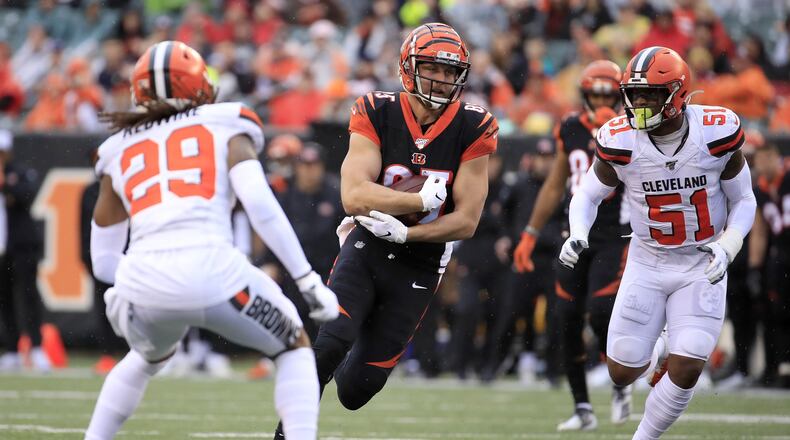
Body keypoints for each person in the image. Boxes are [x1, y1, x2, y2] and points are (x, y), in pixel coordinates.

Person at [83, 40, 339, 440]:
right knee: (294, 346)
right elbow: (260, 204)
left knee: (147, 356)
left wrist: (155, 283)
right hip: (214, 270)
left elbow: (102, 263)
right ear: (198, 86)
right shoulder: (226, 121)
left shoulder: (116, 147)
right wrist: (306, 279)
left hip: (141, 283)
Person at [273, 22, 498, 439]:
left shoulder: (474, 124)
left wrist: (408, 233)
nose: (442, 78)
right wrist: (416, 203)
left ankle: (356, 349)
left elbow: (467, 221)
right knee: (330, 341)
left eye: (451, 72)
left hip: (423, 260)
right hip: (367, 243)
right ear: (408, 68)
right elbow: (354, 196)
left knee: (356, 390)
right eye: (433, 67)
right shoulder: (376, 108)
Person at [562, 46, 756, 439]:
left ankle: (643, 437)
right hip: (647, 260)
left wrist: (728, 245)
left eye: (650, 93)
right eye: (634, 94)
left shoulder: (716, 131)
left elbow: (744, 200)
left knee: (689, 364)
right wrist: (578, 231)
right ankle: (658, 349)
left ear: (678, 93)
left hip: (701, 263)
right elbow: (587, 194)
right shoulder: (620, 139)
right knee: (622, 370)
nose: (640, 103)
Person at [512, 60, 631, 430]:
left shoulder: (634, 129)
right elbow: (555, 182)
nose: (600, 99)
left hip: (615, 234)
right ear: (584, 95)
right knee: (563, 317)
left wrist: (614, 132)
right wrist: (530, 232)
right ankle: (582, 408)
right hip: (575, 233)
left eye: (607, 93)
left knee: (599, 310)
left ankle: (620, 379)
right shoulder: (570, 127)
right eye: (594, 93)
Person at [0, 132, 50, 373]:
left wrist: (7, 186)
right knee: (5, 300)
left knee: (29, 296)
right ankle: (10, 350)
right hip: (2, 248)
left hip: (20, 246)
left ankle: (37, 347)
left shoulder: (18, 172)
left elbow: (28, 194)